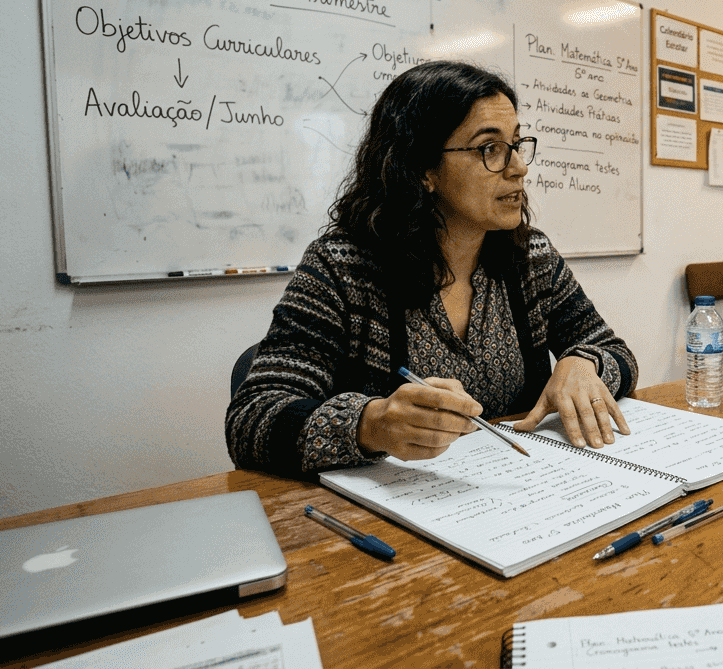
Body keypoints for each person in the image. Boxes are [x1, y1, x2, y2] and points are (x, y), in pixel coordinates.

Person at [227, 61, 637, 476]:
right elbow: (250, 419)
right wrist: (370, 425)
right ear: (423, 169)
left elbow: (619, 355)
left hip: (518, 496)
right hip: (392, 512)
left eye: (516, 144)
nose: (519, 167)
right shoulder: (341, 267)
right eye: (489, 149)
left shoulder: (530, 257)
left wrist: (585, 363)